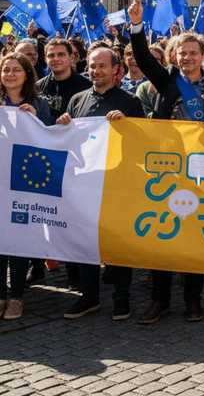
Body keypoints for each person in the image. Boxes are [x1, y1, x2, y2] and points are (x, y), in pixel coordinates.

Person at [127, 0, 204, 325]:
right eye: (181, 52)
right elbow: (142, 58)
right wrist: (136, 24)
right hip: (167, 169)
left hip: (202, 172)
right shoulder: (167, 81)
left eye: (192, 52)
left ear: (203, 56)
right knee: (163, 234)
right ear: (174, 56)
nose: (186, 57)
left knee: (195, 237)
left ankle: (193, 300)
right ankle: (159, 299)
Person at [54, 47, 145, 321]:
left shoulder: (130, 102)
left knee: (118, 244)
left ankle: (121, 298)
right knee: (84, 243)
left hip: (117, 184)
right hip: (83, 184)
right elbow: (65, 139)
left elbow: (144, 141)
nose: (96, 71)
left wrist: (127, 126)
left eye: (102, 66)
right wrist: (63, 123)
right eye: (92, 66)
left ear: (116, 69)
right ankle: (89, 296)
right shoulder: (77, 100)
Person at [0, 52, 54, 321]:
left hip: (24, 182)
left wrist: (36, 120)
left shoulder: (39, 103)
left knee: (18, 242)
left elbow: (53, 140)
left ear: (26, 74)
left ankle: (16, 297)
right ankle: (0, 294)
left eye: (15, 70)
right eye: (5, 69)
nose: (10, 74)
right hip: (0, 181)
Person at [37, 38, 91, 119]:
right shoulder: (38, 87)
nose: (55, 58)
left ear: (71, 57)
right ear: (45, 59)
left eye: (61, 54)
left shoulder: (87, 86)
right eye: (51, 55)